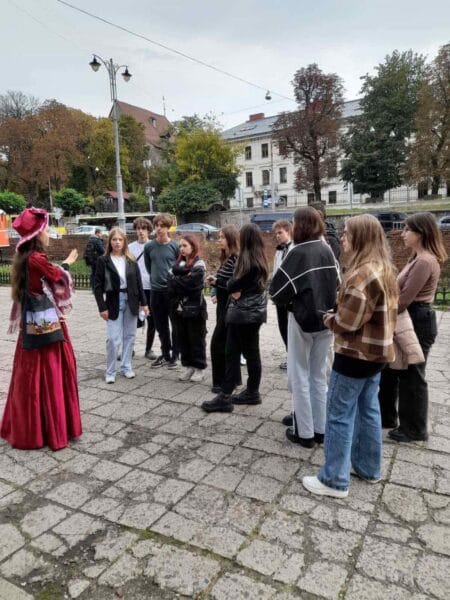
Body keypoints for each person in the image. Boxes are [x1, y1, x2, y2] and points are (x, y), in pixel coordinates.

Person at [302, 214, 398, 498]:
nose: (342, 238)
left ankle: (334, 480)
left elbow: (347, 322)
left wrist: (328, 318)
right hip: (377, 354)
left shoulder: (361, 275)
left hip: (355, 355)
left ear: (361, 237)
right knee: (369, 410)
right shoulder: (384, 268)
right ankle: (368, 468)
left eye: (346, 233)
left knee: (338, 415)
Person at [1, 207, 82, 450]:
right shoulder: (36, 258)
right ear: (37, 234)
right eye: (46, 229)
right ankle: (51, 429)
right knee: (50, 372)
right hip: (46, 327)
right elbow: (58, 278)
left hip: (32, 324)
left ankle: (32, 427)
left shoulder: (24, 258)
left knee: (29, 375)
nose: (48, 234)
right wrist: (68, 262)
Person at [270, 207, 339, 447]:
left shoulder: (298, 252)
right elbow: (338, 283)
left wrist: (292, 302)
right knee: (318, 375)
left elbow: (276, 291)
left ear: (299, 225)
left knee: (299, 374)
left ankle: (305, 433)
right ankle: (321, 430)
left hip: (301, 320)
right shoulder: (326, 249)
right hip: (326, 320)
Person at [379, 212, 447, 442]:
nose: (403, 234)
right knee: (393, 369)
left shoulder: (425, 261)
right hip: (410, 317)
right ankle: (388, 416)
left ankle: (415, 428)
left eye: (408, 229)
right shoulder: (416, 258)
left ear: (421, 233)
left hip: (417, 319)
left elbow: (405, 299)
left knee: (413, 375)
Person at [202, 224, 269, 413]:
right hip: (252, 313)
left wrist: (232, 286)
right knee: (250, 353)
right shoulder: (259, 259)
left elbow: (232, 284)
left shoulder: (248, 262)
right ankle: (250, 391)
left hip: (243, 314)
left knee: (233, 353)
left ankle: (226, 396)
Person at [94, 227, 148, 383]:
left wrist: (144, 303)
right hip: (113, 301)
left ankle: (126, 366)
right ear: (109, 242)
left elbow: (138, 283)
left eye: (120, 239)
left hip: (131, 300)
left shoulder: (131, 260)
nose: (117, 242)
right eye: (114, 239)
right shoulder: (103, 261)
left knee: (130, 336)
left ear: (124, 242)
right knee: (113, 338)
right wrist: (102, 307)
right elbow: (97, 286)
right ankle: (110, 371)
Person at [167, 235, 208, 382]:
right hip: (178, 308)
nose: (181, 249)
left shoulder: (199, 264)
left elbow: (192, 285)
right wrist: (181, 280)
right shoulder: (178, 264)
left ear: (193, 247)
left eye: (185, 246)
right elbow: (169, 283)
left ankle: (199, 368)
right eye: (180, 246)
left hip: (194, 308)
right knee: (182, 337)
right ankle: (188, 366)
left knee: (196, 338)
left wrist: (177, 280)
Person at [206, 225, 240, 393]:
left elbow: (234, 284)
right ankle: (230, 380)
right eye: (219, 237)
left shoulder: (235, 259)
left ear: (231, 239)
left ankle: (224, 382)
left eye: (222, 237)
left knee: (219, 344)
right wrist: (215, 283)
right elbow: (225, 281)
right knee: (226, 344)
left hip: (229, 307)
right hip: (222, 306)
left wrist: (218, 282)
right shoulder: (226, 258)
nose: (219, 240)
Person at [143, 213, 179, 369]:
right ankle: (165, 353)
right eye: (157, 225)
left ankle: (175, 355)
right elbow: (148, 267)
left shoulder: (175, 246)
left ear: (168, 228)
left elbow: (179, 267)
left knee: (175, 325)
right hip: (155, 292)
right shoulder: (149, 246)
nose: (159, 229)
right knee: (161, 326)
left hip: (171, 292)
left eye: (162, 226)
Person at [128, 217, 157, 360]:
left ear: (149, 230)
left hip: (151, 287)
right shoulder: (130, 247)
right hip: (136, 288)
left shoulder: (154, 246)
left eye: (144, 229)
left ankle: (149, 349)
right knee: (133, 319)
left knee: (152, 319)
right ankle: (130, 348)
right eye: (138, 228)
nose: (141, 231)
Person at [272, 219, 294, 370]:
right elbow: (275, 272)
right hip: (280, 296)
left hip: (291, 297)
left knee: (292, 328)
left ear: (289, 231)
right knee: (282, 327)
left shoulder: (295, 249)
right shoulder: (279, 251)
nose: (277, 236)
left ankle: (294, 357)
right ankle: (289, 354)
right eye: (276, 233)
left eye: (280, 232)